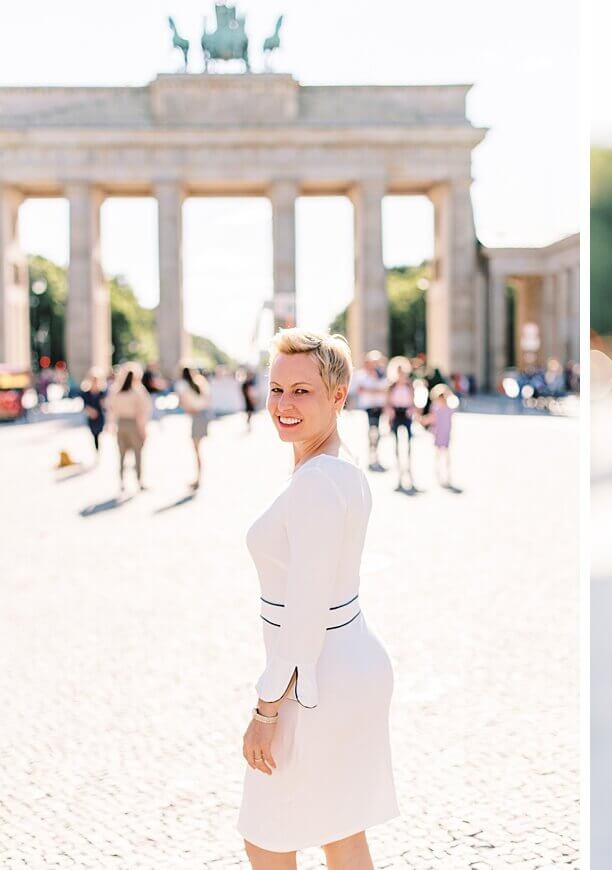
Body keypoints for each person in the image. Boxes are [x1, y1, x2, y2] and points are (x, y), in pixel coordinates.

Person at [238, 328, 397, 866]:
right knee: (341, 830)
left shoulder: (316, 482)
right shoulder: (339, 469)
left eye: (301, 391)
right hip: (343, 664)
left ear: (338, 395)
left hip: (317, 676)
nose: (283, 404)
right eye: (277, 388)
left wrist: (265, 710)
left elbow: (303, 618)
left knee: (266, 835)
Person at [105, 363, 153, 493]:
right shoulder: (138, 391)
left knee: (122, 454)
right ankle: (139, 480)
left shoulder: (115, 390)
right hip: (133, 424)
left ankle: (121, 481)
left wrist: (110, 425)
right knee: (138, 454)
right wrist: (143, 430)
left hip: (121, 424)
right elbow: (142, 413)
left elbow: (110, 409)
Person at [175, 365, 212, 490]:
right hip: (204, 416)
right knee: (198, 450)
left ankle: (198, 479)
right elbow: (208, 399)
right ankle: (198, 478)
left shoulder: (182, 385)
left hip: (197, 416)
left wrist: (188, 409)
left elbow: (182, 402)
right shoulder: (201, 382)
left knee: (197, 451)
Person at [351, 351, 388, 469]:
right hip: (366, 409)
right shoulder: (361, 375)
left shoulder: (381, 376)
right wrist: (375, 390)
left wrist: (371, 389)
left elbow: (385, 390)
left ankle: (376, 457)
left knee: (378, 434)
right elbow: (360, 390)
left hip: (379, 407)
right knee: (370, 433)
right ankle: (369, 458)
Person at [384, 360, 417, 490]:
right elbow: (387, 403)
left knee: (408, 444)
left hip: (406, 413)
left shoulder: (410, 386)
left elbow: (414, 401)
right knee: (397, 444)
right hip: (396, 413)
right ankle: (399, 475)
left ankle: (409, 473)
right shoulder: (391, 386)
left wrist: (413, 410)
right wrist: (389, 416)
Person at [420, 383, 456, 488]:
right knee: (438, 454)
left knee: (446, 455)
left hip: (445, 434)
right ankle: (438, 473)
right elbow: (431, 418)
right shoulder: (435, 408)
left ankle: (447, 474)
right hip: (438, 434)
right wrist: (423, 420)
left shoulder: (449, 408)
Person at [78, 368, 107, 460]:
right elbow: (84, 405)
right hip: (91, 417)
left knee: (99, 433)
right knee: (94, 434)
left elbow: (105, 406)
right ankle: (96, 450)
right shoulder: (86, 393)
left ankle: (98, 450)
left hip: (99, 417)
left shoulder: (102, 392)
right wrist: (90, 411)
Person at [239, 366, 258, 432]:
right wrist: (252, 400)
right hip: (248, 400)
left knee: (249, 413)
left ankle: (248, 424)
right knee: (249, 413)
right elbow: (249, 392)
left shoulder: (244, 383)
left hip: (246, 399)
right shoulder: (248, 383)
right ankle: (248, 424)